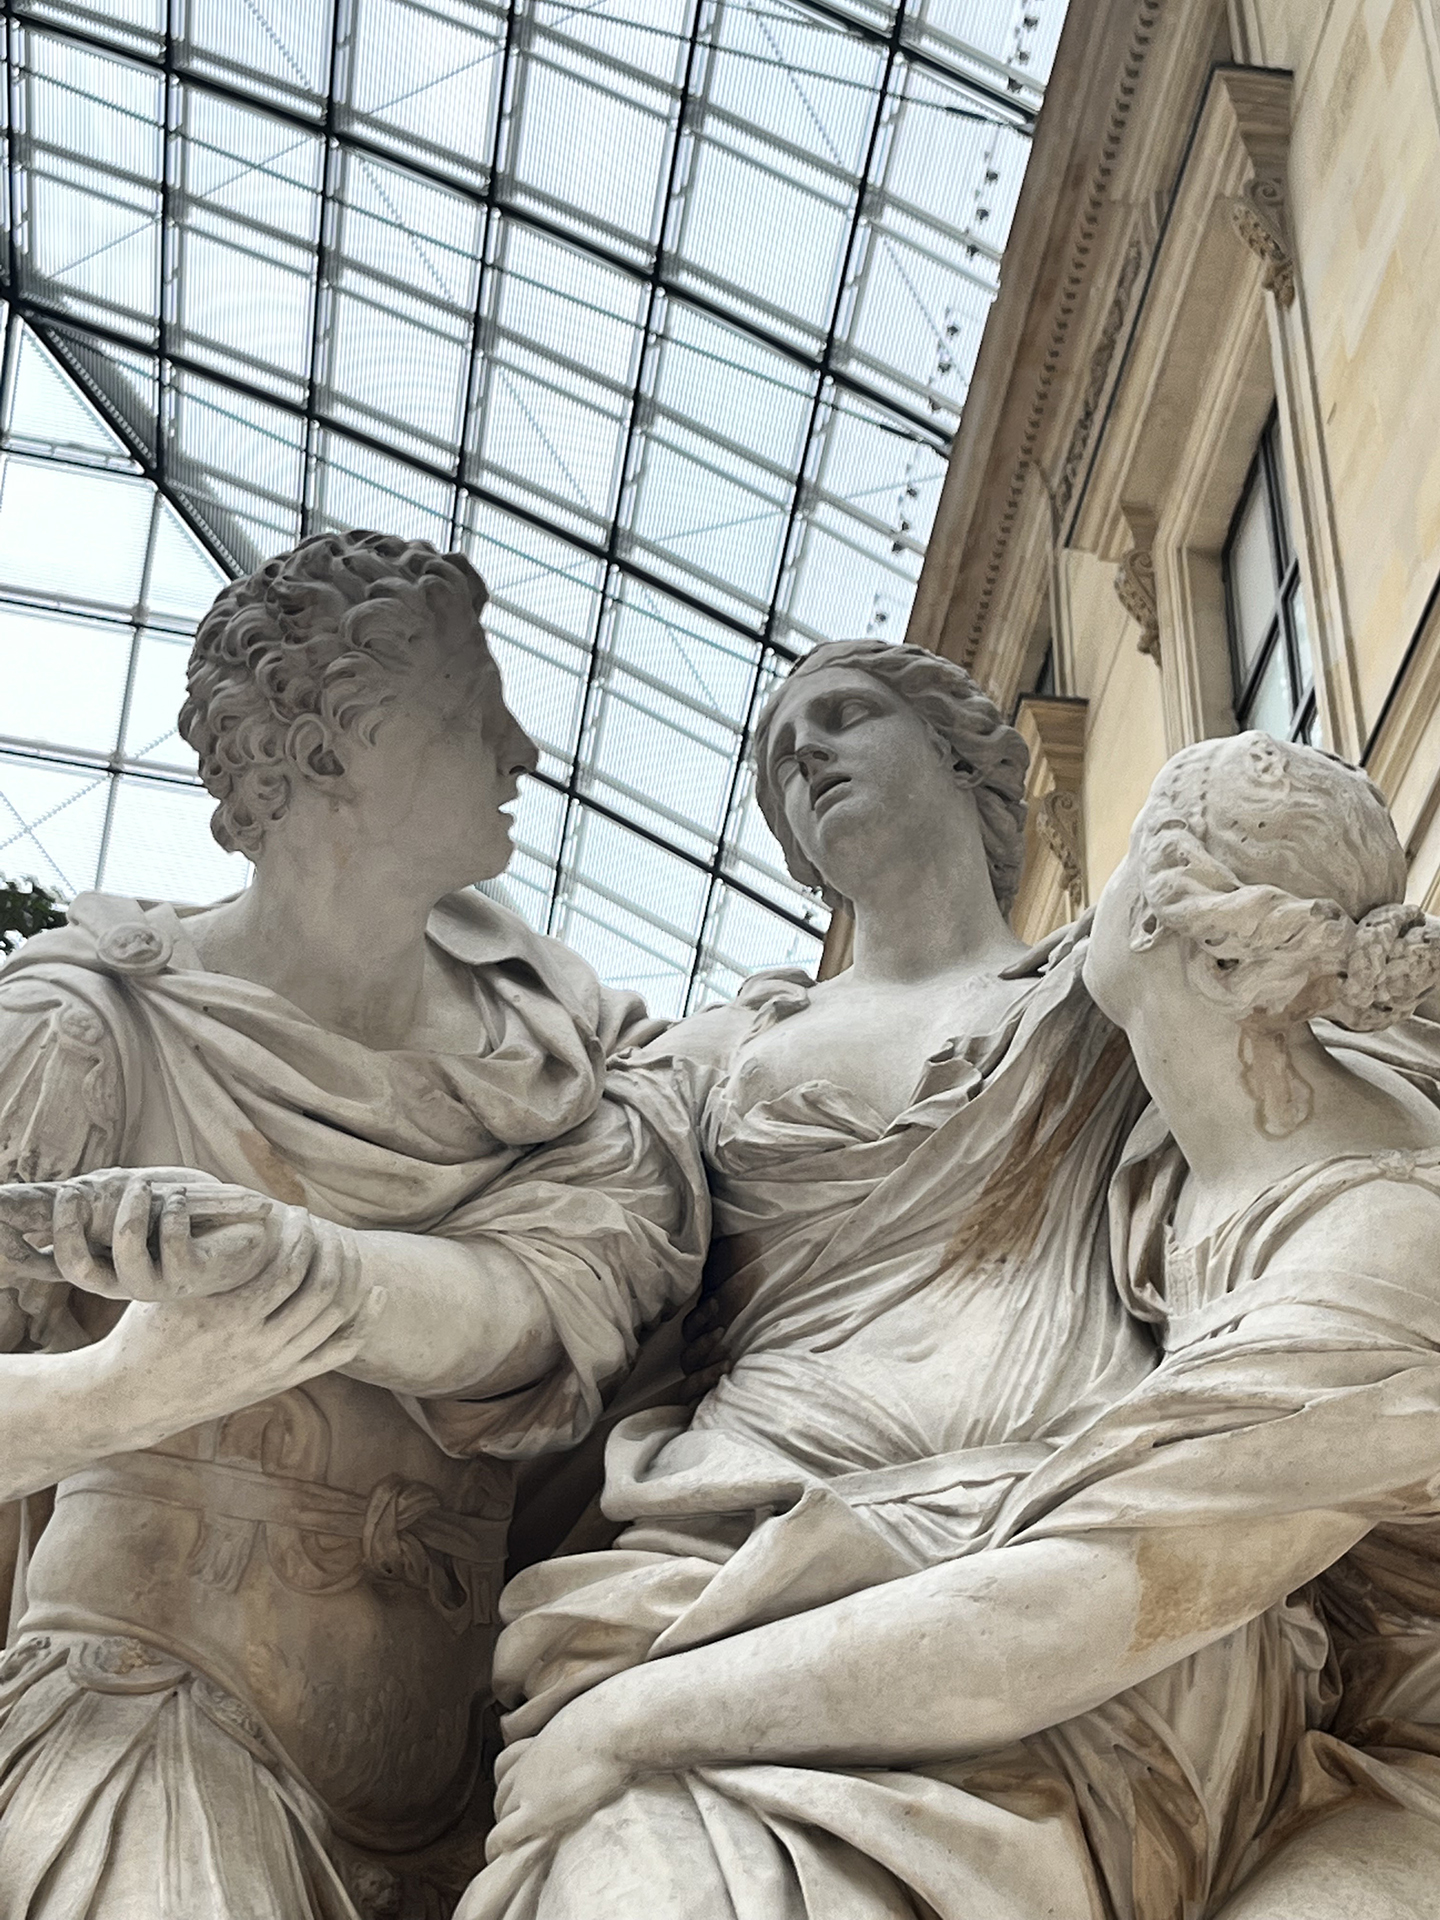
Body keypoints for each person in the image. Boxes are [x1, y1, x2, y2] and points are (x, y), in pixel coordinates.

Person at [461, 720, 1440, 1919]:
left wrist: (630, 1718)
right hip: (1027, 1623)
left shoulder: (1375, 1236)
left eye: (1120, 861)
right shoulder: (1173, 1164)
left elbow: (1082, 1595)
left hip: (1276, 1738)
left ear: (1148, 918)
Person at [0, 532, 706, 1918]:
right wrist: (117, 1394)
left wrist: (304, 1273)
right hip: (143, 1715)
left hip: (479, 1771)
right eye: (470, 709)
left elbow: (540, 1298)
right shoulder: (83, 1036)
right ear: (334, 747)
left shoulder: (574, 1060)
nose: (521, 749)